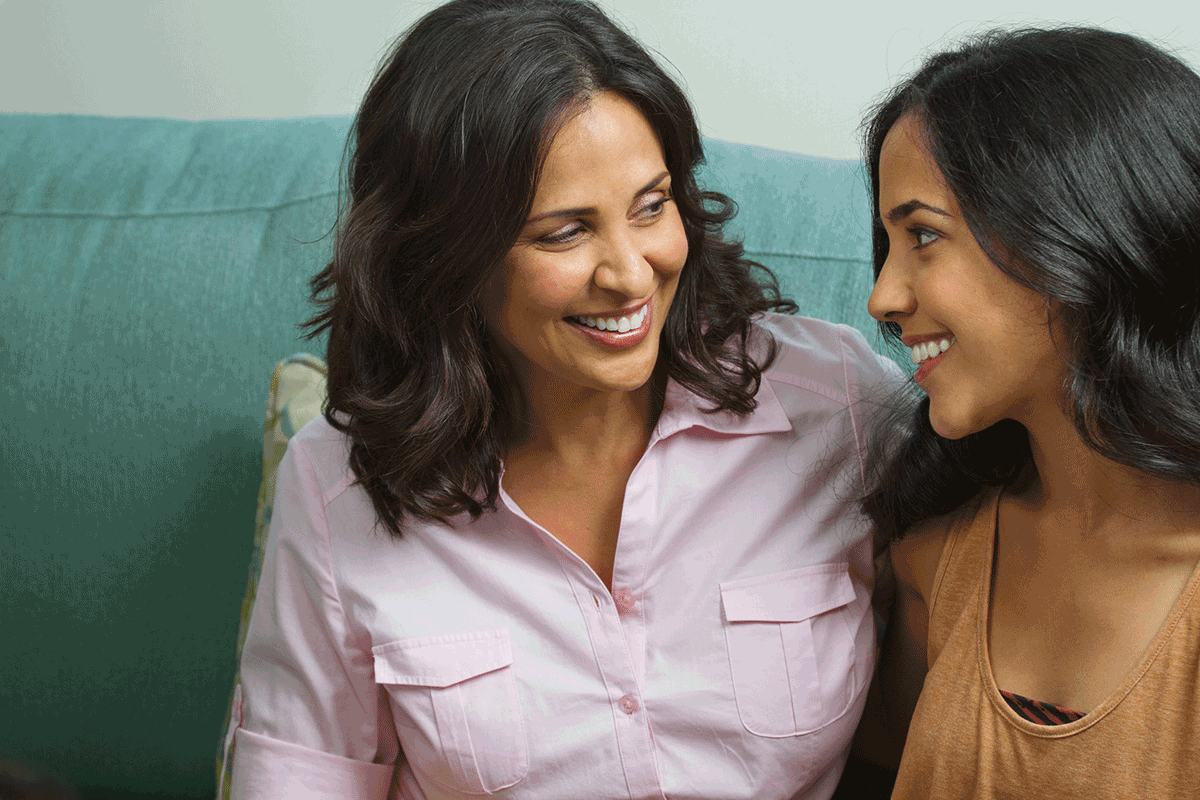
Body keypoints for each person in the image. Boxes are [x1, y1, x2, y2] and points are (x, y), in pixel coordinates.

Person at [223, 1, 899, 798]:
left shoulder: (840, 409)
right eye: (564, 233)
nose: (630, 273)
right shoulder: (338, 490)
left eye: (651, 206)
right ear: (447, 257)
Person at [858, 26, 1200, 798]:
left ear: (1080, 232)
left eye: (922, 235)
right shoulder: (938, 552)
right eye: (887, 243)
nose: (882, 297)